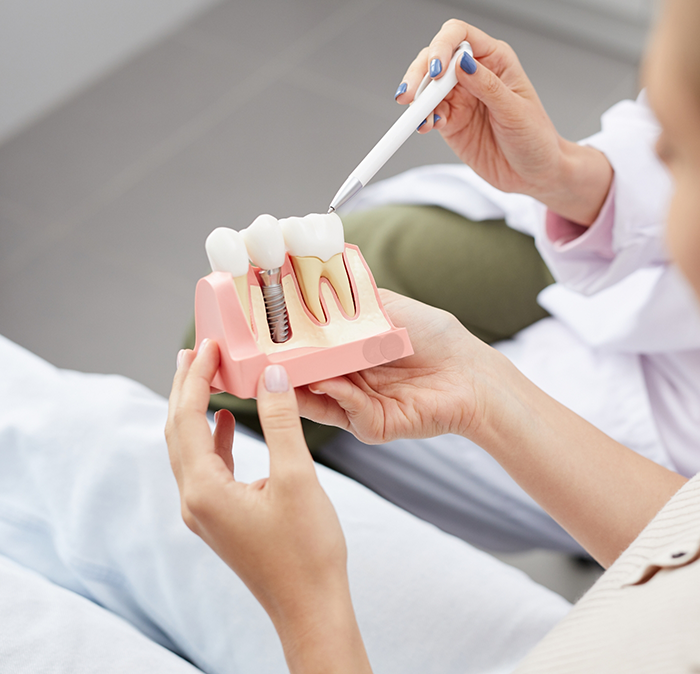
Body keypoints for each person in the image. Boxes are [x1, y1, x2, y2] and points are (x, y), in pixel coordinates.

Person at [167, 1, 700, 671]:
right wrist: (567, 175)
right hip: (633, 316)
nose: (652, 152)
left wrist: (308, 608)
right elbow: (690, 542)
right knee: (383, 251)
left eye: (674, 154)